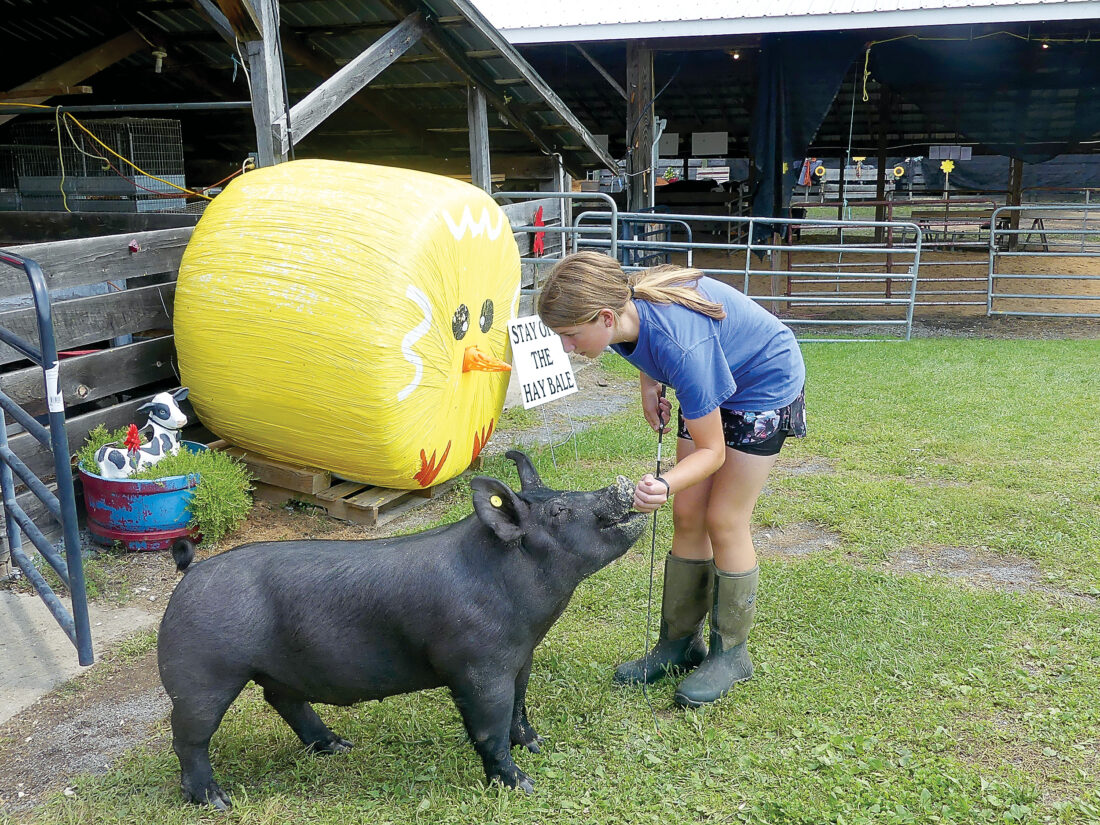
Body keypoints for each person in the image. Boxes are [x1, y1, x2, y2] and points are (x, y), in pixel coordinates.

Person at [537, 251, 806, 708]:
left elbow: (712, 452)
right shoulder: (626, 312)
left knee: (723, 518)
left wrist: (664, 482)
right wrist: (649, 385)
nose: (565, 347)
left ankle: (731, 655)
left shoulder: (683, 347)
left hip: (763, 383)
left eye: (569, 335)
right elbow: (648, 344)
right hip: (709, 375)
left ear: (604, 317)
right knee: (687, 513)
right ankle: (680, 643)